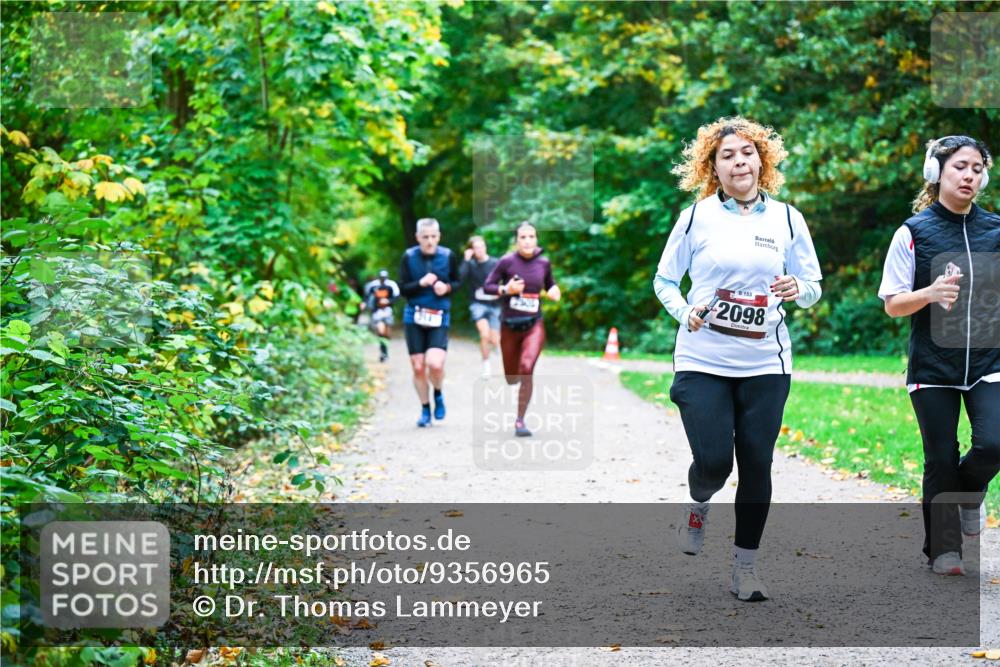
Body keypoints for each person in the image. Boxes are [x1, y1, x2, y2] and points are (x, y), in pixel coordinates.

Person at [653, 116, 823, 601]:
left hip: (766, 362)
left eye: (747, 152)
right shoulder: (696, 217)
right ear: (713, 168)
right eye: (727, 156)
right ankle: (698, 501)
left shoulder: (787, 218)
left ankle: (745, 568)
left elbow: (812, 284)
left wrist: (798, 288)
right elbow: (665, 280)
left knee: (757, 463)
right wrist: (685, 312)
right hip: (703, 358)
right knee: (713, 463)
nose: (738, 162)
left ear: (762, 161)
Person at [879, 135, 999, 576]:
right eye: (959, 167)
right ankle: (944, 550)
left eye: (977, 169)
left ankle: (969, 492)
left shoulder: (996, 230)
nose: (969, 176)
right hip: (932, 366)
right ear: (936, 172)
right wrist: (928, 293)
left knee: (994, 444)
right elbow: (893, 304)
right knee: (940, 458)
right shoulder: (913, 232)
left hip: (990, 362)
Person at [483, 222, 560, 438]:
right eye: (523, 237)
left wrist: (554, 290)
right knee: (511, 377)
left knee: (527, 367)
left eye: (531, 237)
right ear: (516, 240)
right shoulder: (507, 261)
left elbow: (550, 284)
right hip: (509, 326)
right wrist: (506, 289)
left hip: (534, 325)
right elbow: (487, 286)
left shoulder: (543, 262)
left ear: (536, 239)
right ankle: (515, 380)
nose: (527, 241)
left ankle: (520, 420)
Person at [399, 218, 461, 428]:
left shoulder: (448, 255)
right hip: (414, 315)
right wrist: (420, 283)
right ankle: (425, 408)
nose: (429, 241)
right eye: (425, 237)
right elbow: (402, 288)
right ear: (417, 237)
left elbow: (457, 282)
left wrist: (447, 288)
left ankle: (438, 393)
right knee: (418, 367)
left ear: (439, 236)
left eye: (433, 236)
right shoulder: (409, 257)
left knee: (435, 364)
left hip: (439, 314)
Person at [460, 235, 502, 377]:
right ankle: (486, 366)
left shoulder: (495, 263)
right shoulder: (470, 265)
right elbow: (460, 278)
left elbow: (505, 279)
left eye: (482, 246)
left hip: (495, 305)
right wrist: (466, 260)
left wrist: (500, 291)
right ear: (472, 250)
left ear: (485, 247)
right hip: (478, 304)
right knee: (484, 334)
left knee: (495, 339)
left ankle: (498, 348)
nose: (480, 250)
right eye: (476, 248)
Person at [363, 269, 400, 362]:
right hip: (377, 311)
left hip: (388, 311)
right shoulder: (373, 285)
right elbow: (367, 296)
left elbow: (396, 296)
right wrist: (364, 303)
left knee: (387, 333)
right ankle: (383, 353)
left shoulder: (391, 285)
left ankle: (385, 351)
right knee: (381, 331)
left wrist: (388, 301)